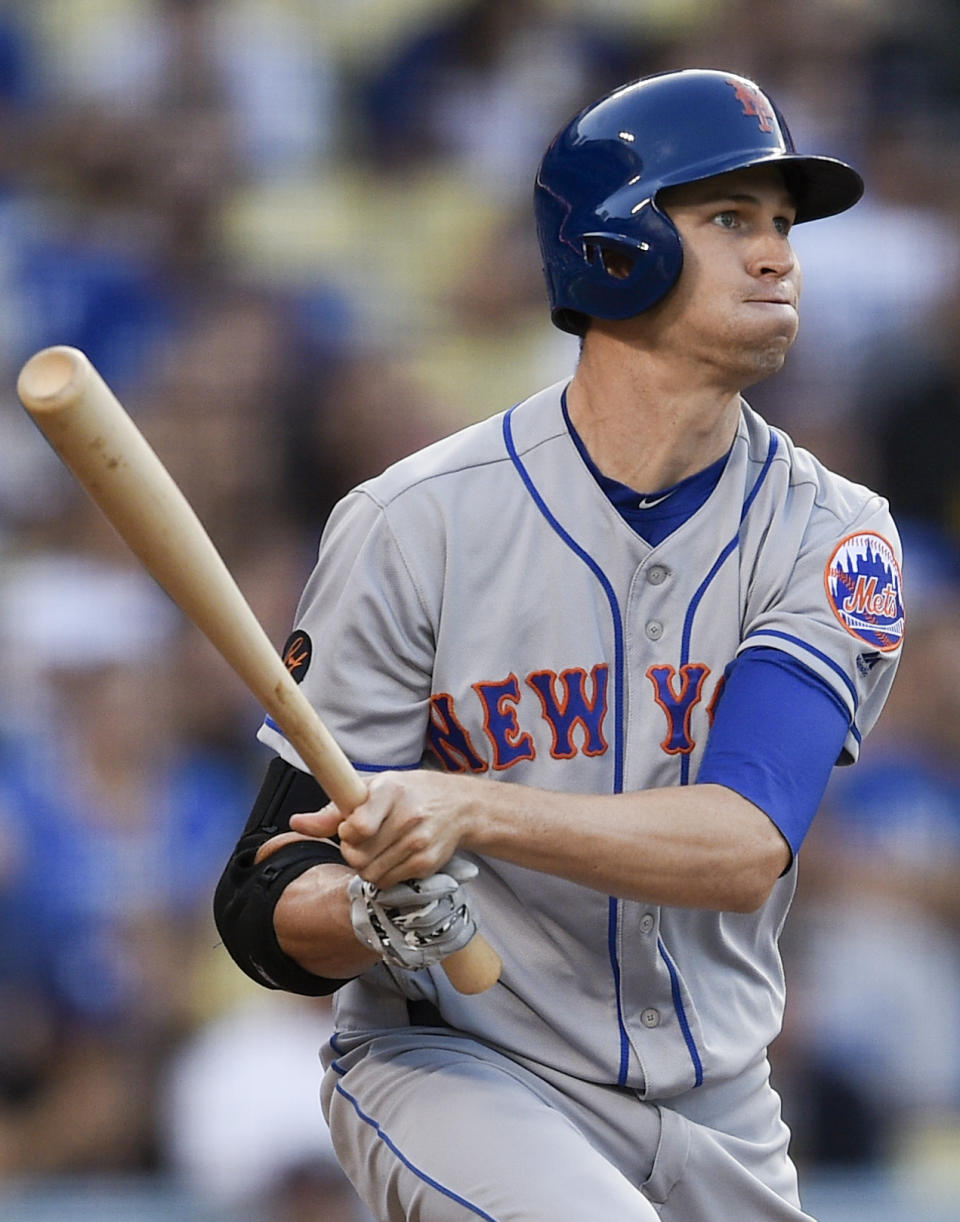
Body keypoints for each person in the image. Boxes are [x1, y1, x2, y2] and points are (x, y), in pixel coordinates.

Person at [214, 70, 904, 1221]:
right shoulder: (413, 521)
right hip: (460, 1067)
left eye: (782, 225)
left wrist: (469, 808)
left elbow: (742, 843)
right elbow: (264, 894)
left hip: (720, 1102)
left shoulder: (837, 532)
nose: (779, 255)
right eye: (730, 218)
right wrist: (367, 911)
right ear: (616, 245)